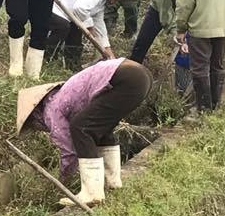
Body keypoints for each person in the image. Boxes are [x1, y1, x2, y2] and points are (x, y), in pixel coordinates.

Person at [15, 58, 152, 205]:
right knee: (101, 130)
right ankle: (112, 182)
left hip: (126, 78)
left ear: (35, 115)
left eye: (34, 126)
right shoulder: (62, 95)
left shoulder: (50, 110)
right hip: (139, 75)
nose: (39, 129)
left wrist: (63, 179)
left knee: (80, 128)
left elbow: (69, 149)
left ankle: (92, 193)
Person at [45, 0, 136, 66]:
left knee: (76, 28)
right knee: (63, 26)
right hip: (50, 1)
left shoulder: (101, 3)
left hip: (64, 12)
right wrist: (90, 28)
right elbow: (79, 8)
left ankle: (72, 64)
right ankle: (48, 59)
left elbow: (100, 29)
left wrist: (110, 57)